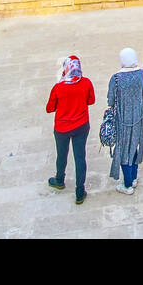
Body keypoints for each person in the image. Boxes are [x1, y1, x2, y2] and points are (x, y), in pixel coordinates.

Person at [47, 55, 94, 204]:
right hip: (81, 125)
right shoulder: (86, 83)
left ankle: (59, 179)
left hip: (62, 128)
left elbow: (50, 108)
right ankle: (80, 190)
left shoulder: (58, 87)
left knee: (62, 154)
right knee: (80, 157)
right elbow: (91, 100)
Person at [107, 48, 143, 195]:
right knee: (134, 146)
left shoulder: (116, 78)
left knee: (123, 150)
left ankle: (128, 184)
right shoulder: (141, 74)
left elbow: (111, 100)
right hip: (139, 116)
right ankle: (134, 178)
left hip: (123, 119)